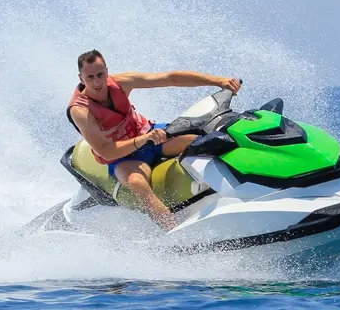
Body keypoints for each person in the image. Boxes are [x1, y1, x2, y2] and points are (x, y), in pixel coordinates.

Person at [66, 49, 242, 231]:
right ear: (81, 78)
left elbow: (169, 78)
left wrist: (217, 81)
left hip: (152, 137)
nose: (96, 82)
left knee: (210, 141)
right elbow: (105, 151)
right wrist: (142, 140)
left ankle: (244, 189)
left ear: (107, 71)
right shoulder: (80, 111)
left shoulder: (121, 82)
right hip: (124, 158)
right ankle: (174, 233)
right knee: (137, 183)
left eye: (100, 75)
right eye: (90, 77)